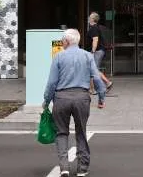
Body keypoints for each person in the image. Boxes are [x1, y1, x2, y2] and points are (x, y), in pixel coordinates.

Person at [43, 28, 106, 177]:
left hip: (61, 98)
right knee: (81, 132)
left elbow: (52, 83)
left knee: (61, 132)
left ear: (66, 41)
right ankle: (82, 168)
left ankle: (64, 167)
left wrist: (46, 100)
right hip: (81, 98)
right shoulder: (87, 56)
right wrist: (101, 97)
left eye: (62, 40)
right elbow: (96, 78)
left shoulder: (59, 57)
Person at [86, 12, 113, 92]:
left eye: (89, 17)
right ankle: (93, 89)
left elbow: (95, 40)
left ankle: (106, 83)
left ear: (92, 19)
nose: (88, 18)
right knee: (93, 69)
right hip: (98, 51)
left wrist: (92, 51)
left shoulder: (94, 28)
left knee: (94, 70)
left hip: (96, 51)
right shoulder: (95, 27)